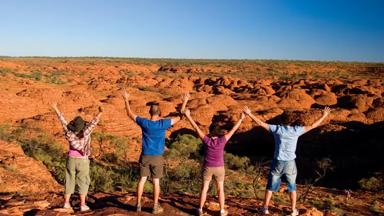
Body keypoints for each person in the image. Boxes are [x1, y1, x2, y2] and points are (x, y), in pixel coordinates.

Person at [243, 106, 331, 216]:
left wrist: (249, 113)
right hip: (290, 162)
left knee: (271, 185)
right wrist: (324, 115)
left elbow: (261, 123)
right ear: (291, 120)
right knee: (292, 186)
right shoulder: (296, 130)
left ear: (281, 120)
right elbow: (313, 125)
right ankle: (293, 210)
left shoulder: (277, 129)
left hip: (277, 162)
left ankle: (265, 208)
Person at [123, 90, 189, 214]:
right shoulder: (163, 123)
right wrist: (184, 102)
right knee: (156, 182)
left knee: (142, 180)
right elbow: (181, 117)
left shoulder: (145, 123)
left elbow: (129, 113)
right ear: (159, 113)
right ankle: (154, 207)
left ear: (149, 113)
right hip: (157, 157)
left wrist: (126, 99)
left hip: (145, 155)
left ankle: (137, 205)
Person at [184, 107, 246, 216]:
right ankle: (222, 211)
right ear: (218, 132)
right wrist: (241, 119)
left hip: (207, 167)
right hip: (219, 168)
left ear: (210, 131)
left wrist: (188, 116)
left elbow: (195, 127)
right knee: (220, 189)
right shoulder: (222, 140)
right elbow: (233, 130)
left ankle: (199, 209)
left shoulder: (206, 140)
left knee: (204, 188)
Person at [52, 103, 103, 212]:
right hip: (83, 160)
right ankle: (82, 205)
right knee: (83, 181)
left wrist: (56, 109)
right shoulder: (86, 132)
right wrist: (100, 113)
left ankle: (66, 203)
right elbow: (93, 123)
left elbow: (63, 121)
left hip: (71, 159)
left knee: (69, 179)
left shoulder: (69, 132)